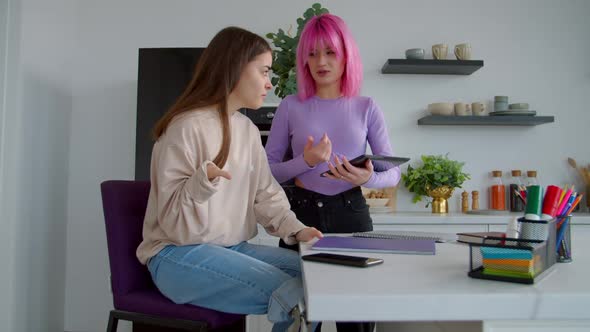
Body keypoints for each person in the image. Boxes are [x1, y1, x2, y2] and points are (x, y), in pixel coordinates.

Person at [136, 26, 323, 332]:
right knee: (299, 295)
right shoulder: (186, 127)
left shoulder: (246, 130)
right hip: (176, 256)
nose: (268, 83)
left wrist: (298, 230)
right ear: (235, 68)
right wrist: (201, 184)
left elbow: (266, 194)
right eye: (263, 71)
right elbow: (173, 223)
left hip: (231, 249)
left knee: (317, 277)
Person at [265, 14, 401, 332]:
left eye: (329, 52)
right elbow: (268, 171)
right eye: (312, 54)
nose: (320, 61)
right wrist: (306, 161)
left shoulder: (367, 106)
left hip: (351, 216)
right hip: (299, 218)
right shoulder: (290, 106)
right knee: (297, 319)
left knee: (356, 321)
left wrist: (367, 179)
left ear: (345, 54)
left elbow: (392, 175)